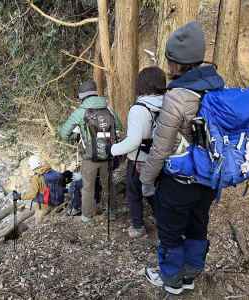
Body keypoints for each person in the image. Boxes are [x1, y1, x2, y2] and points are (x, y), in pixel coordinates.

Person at [140, 21, 225, 294]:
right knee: (198, 225)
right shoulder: (218, 86)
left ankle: (172, 279)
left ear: (177, 63)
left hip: (180, 181)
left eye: (169, 60)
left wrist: (146, 179)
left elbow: (161, 148)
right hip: (209, 179)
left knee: (171, 231)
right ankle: (191, 273)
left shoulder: (177, 97)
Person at [108, 66, 166, 238]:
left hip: (139, 159)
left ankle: (138, 226)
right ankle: (163, 220)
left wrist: (113, 149)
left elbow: (133, 141)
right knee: (155, 190)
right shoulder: (169, 103)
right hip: (161, 156)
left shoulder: (139, 108)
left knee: (134, 194)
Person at [59, 80, 122, 223]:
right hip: (108, 154)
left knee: (88, 187)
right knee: (108, 184)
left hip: (90, 157)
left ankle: (87, 217)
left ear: (82, 97)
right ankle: (112, 212)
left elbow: (63, 133)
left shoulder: (80, 112)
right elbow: (119, 126)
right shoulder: (108, 108)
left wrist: (76, 135)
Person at [13, 155, 71, 224]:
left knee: (38, 224)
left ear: (32, 166)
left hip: (44, 206)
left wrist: (19, 196)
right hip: (58, 201)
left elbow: (32, 194)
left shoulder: (36, 177)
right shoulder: (51, 171)